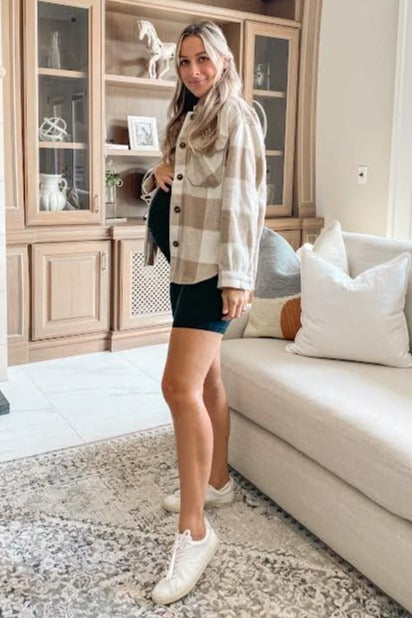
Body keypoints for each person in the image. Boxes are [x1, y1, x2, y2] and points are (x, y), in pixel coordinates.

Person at [141, 21, 266, 605]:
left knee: (178, 387)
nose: (194, 71)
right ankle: (217, 482)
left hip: (214, 273)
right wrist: (156, 173)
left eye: (203, 59)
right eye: (185, 61)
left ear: (224, 60)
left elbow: (244, 201)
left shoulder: (237, 116)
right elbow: (174, 183)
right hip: (184, 264)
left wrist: (237, 277)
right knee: (208, 381)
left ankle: (195, 532)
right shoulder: (190, 116)